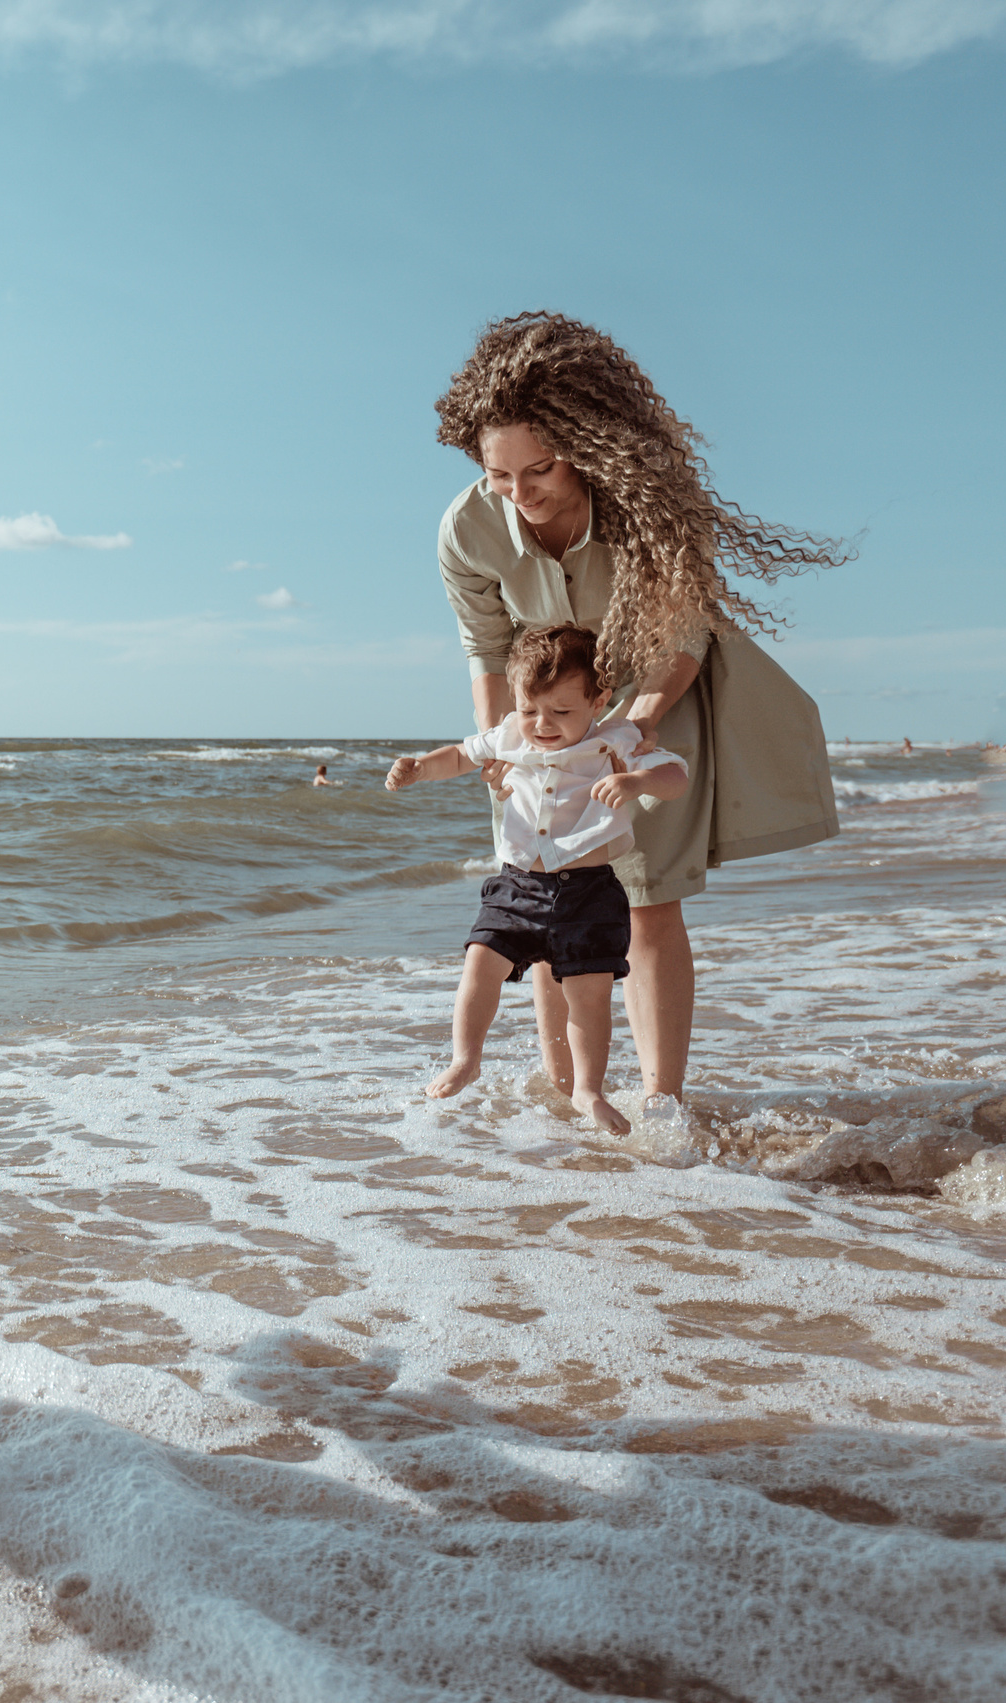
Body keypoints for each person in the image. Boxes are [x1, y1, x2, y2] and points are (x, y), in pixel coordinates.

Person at [433, 312, 851, 1119]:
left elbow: (685, 629)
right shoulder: (467, 527)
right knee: (545, 897)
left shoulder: (654, 500)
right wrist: (501, 752)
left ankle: (661, 1102)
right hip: (542, 713)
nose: (520, 494)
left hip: (655, 691)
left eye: (541, 470)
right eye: (499, 475)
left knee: (649, 898)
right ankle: (568, 1094)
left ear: (587, 445)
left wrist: (639, 723)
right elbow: (485, 646)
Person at [386, 625, 689, 1133]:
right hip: (517, 884)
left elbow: (675, 775)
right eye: (530, 710)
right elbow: (462, 755)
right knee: (480, 964)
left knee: (589, 995)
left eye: (561, 712)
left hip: (590, 893)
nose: (542, 725)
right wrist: (419, 768)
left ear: (599, 701)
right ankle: (466, 1058)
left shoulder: (617, 740)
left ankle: (588, 1089)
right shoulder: (509, 734)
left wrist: (636, 781)